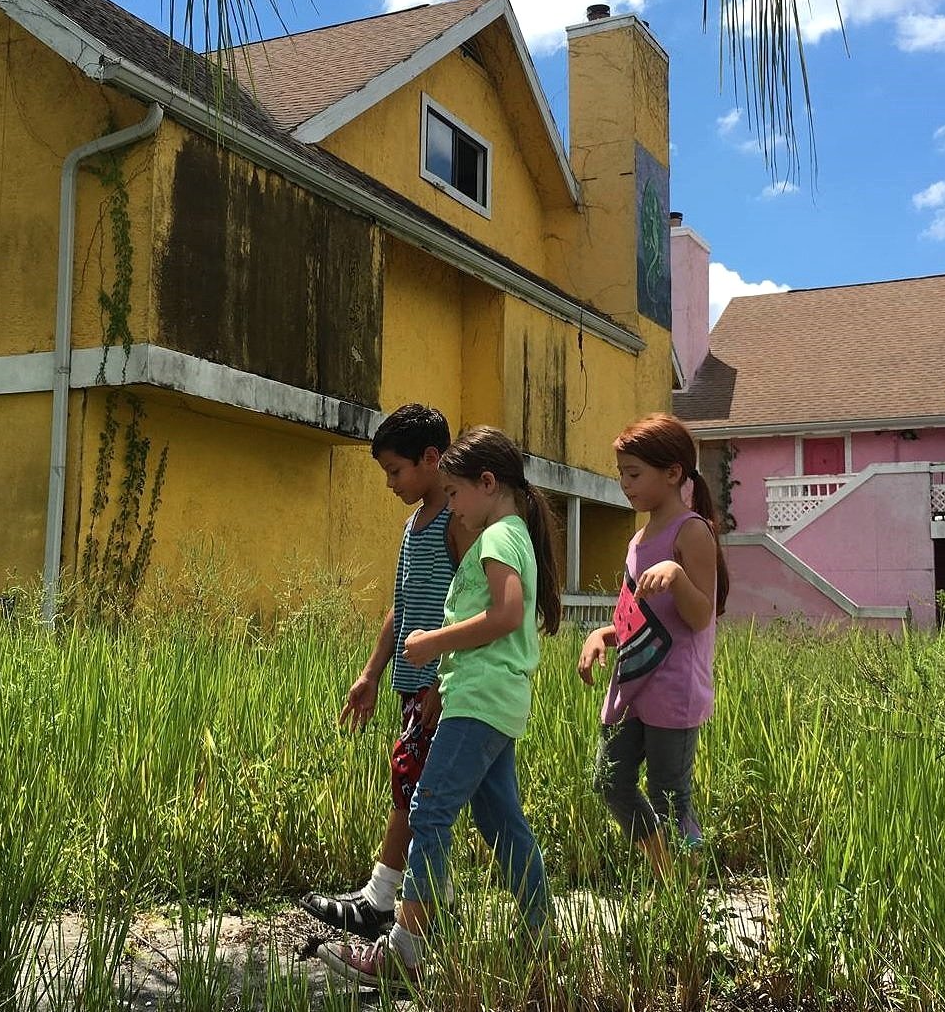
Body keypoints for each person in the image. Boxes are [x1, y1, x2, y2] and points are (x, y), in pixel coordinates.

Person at [319, 425, 561, 987]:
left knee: (429, 812)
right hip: (493, 698)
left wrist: (432, 642)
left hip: (478, 697)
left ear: (486, 482)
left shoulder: (500, 537)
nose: (450, 504)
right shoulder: (510, 533)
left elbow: (504, 615)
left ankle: (403, 952)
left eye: (454, 493)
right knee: (501, 819)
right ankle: (541, 937)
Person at [300, 404, 471, 938]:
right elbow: (400, 606)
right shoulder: (412, 525)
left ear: (431, 458)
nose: (391, 483)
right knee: (416, 790)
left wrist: (447, 681)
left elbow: (470, 606)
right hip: (409, 684)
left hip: (440, 686)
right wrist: (372, 674)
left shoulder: (457, 523)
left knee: (415, 791)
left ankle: (383, 900)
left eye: (396, 471)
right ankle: (429, 900)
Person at [577, 413, 728, 875]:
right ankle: (666, 869)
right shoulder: (638, 539)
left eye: (634, 473)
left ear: (674, 473)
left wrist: (678, 576)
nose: (625, 483)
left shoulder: (692, 531)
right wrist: (601, 634)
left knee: (670, 796)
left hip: (674, 688)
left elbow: (701, 615)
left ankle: (686, 894)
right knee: (609, 779)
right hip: (633, 683)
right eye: (622, 472)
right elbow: (633, 614)